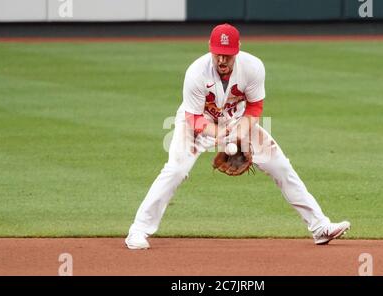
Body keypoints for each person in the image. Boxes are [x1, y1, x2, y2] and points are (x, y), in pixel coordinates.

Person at [125, 24, 350, 249]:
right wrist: (220, 134)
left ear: (238, 49)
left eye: (228, 55)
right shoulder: (196, 72)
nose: (222, 60)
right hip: (197, 122)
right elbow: (193, 118)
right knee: (175, 170)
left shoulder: (253, 67)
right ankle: (138, 230)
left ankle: (320, 226)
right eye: (218, 54)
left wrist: (240, 134)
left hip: (237, 120)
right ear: (210, 48)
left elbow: (255, 107)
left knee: (280, 165)